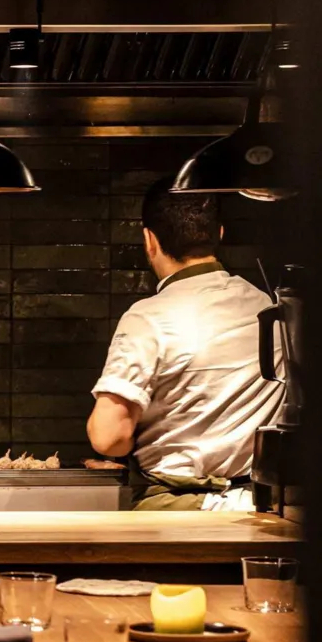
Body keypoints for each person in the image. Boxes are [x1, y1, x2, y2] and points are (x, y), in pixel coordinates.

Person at [86, 177, 283, 510]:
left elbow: (109, 438)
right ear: (219, 233)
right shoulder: (268, 308)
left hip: (178, 507)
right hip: (259, 506)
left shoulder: (148, 318)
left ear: (149, 240)